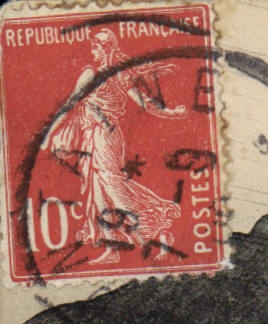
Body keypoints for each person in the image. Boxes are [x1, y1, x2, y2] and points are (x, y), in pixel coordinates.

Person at [45, 28, 188, 264]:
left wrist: (170, 113)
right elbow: (70, 105)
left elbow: (143, 103)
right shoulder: (90, 74)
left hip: (107, 136)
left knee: (113, 187)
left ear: (106, 49)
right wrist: (50, 134)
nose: (92, 51)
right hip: (90, 136)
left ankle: (158, 231)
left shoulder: (119, 76)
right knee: (98, 190)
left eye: (96, 47)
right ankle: (112, 247)